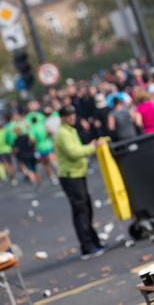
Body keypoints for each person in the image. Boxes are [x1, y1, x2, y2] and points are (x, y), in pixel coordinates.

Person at [55, 105, 106, 260]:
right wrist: (92, 148)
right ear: (62, 118)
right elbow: (73, 153)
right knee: (81, 211)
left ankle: (94, 242)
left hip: (78, 174)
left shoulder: (71, 130)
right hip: (71, 176)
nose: (72, 117)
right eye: (68, 115)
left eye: (73, 114)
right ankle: (87, 246)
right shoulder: (62, 133)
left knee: (87, 208)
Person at [26, 100, 58, 185]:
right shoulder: (28, 118)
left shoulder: (41, 115)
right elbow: (29, 131)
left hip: (47, 143)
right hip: (40, 146)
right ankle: (53, 176)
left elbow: (47, 126)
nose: (34, 106)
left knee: (51, 160)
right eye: (32, 105)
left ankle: (56, 174)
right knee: (46, 163)